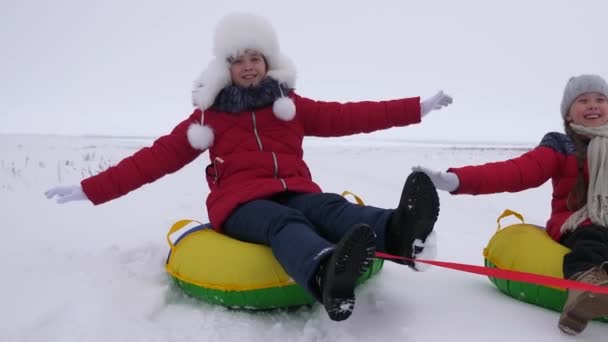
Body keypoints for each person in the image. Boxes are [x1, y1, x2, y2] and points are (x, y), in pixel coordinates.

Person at [45, 12, 452, 321]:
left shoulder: (290, 107)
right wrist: (91, 188)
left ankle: (400, 233)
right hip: (239, 206)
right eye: (238, 61)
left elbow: (353, 115)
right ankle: (325, 272)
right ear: (226, 69)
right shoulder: (208, 120)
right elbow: (154, 159)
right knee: (284, 225)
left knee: (329, 208)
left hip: (296, 189)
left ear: (267, 61)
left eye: (254, 57)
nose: (248, 66)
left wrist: (416, 108)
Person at [414, 74, 608, 334]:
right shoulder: (561, 146)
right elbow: (516, 172)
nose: (593, 105)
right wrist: (456, 180)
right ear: (569, 115)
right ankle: (583, 296)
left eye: (600, 99)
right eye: (583, 100)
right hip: (579, 226)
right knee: (593, 239)